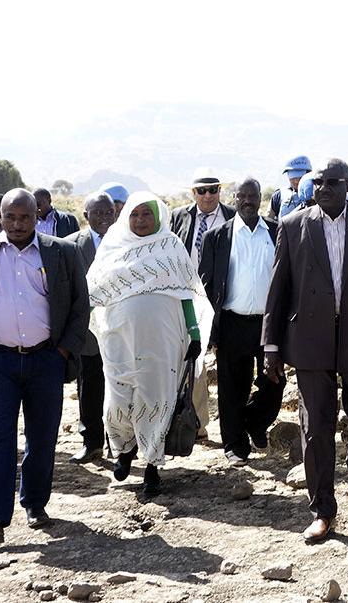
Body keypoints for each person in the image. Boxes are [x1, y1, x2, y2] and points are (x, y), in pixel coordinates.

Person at [263, 158, 348, 543]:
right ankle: (323, 510)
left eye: (332, 182)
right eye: (318, 182)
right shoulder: (293, 226)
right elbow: (278, 289)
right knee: (316, 427)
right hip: (310, 340)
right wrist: (271, 344)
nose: (324, 188)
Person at [0, 189, 90, 544]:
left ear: (36, 217)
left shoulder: (63, 252)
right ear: (0, 217)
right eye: (10, 217)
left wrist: (63, 352)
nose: (16, 224)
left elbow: (80, 306)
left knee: (42, 435)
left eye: (24, 217)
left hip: (47, 359)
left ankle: (35, 503)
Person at [88, 192, 209, 497]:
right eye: (135, 214)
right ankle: (124, 449)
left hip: (163, 339)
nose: (141, 220)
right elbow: (95, 292)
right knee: (118, 398)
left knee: (156, 396)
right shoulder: (113, 246)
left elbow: (185, 293)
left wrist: (194, 333)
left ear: (158, 217)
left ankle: (153, 464)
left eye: (147, 214)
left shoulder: (170, 245)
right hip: (119, 339)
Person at [199, 178, 281, 465]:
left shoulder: (276, 231)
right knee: (233, 387)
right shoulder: (217, 237)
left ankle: (255, 422)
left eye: (252, 196)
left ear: (260, 198)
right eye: (242, 196)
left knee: (274, 381)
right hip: (232, 323)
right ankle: (234, 445)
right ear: (234, 199)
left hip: (269, 324)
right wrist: (210, 330)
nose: (247, 201)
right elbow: (207, 285)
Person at [170, 168, 234, 437]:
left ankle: (231, 425)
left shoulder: (232, 216)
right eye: (202, 190)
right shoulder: (179, 216)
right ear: (193, 193)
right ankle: (196, 422)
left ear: (220, 191)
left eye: (213, 190)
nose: (208, 196)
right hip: (186, 296)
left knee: (226, 360)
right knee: (191, 356)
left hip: (222, 298)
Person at [62, 192, 117, 464]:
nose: (104, 217)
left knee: (120, 389)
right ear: (86, 215)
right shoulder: (70, 245)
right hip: (87, 333)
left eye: (109, 212)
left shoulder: (127, 242)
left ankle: (119, 444)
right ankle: (92, 442)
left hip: (120, 330)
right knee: (89, 388)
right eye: (97, 213)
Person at [269, 155, 313, 219]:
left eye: (300, 178)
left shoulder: (318, 194)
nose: (296, 181)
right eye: (293, 178)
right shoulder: (278, 195)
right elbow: (269, 220)